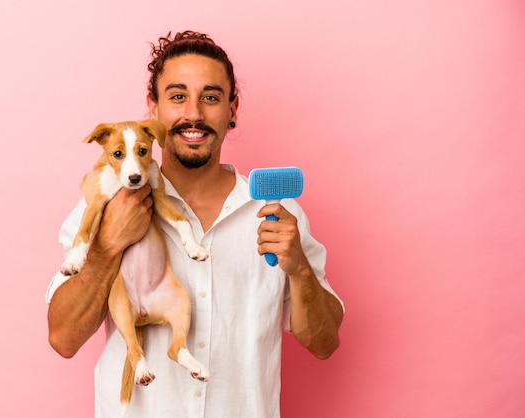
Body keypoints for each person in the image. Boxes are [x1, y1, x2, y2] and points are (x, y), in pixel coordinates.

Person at [46, 30, 344, 418]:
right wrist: (107, 247)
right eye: (177, 96)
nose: (193, 114)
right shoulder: (105, 203)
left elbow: (325, 343)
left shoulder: (277, 214)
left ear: (232, 109)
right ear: (152, 108)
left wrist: (300, 269)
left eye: (211, 97)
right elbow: (63, 338)